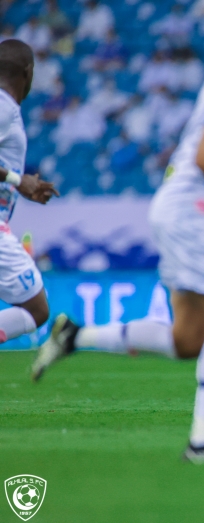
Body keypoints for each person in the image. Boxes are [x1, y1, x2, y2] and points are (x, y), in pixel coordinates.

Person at [32, 0, 204, 465]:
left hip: (177, 205)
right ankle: (203, 443)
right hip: (194, 211)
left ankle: (75, 336)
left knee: (189, 339)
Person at [0, 39, 59, 347]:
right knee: (36, 310)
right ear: (28, 72)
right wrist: (15, 178)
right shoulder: (4, 107)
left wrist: (17, 185)